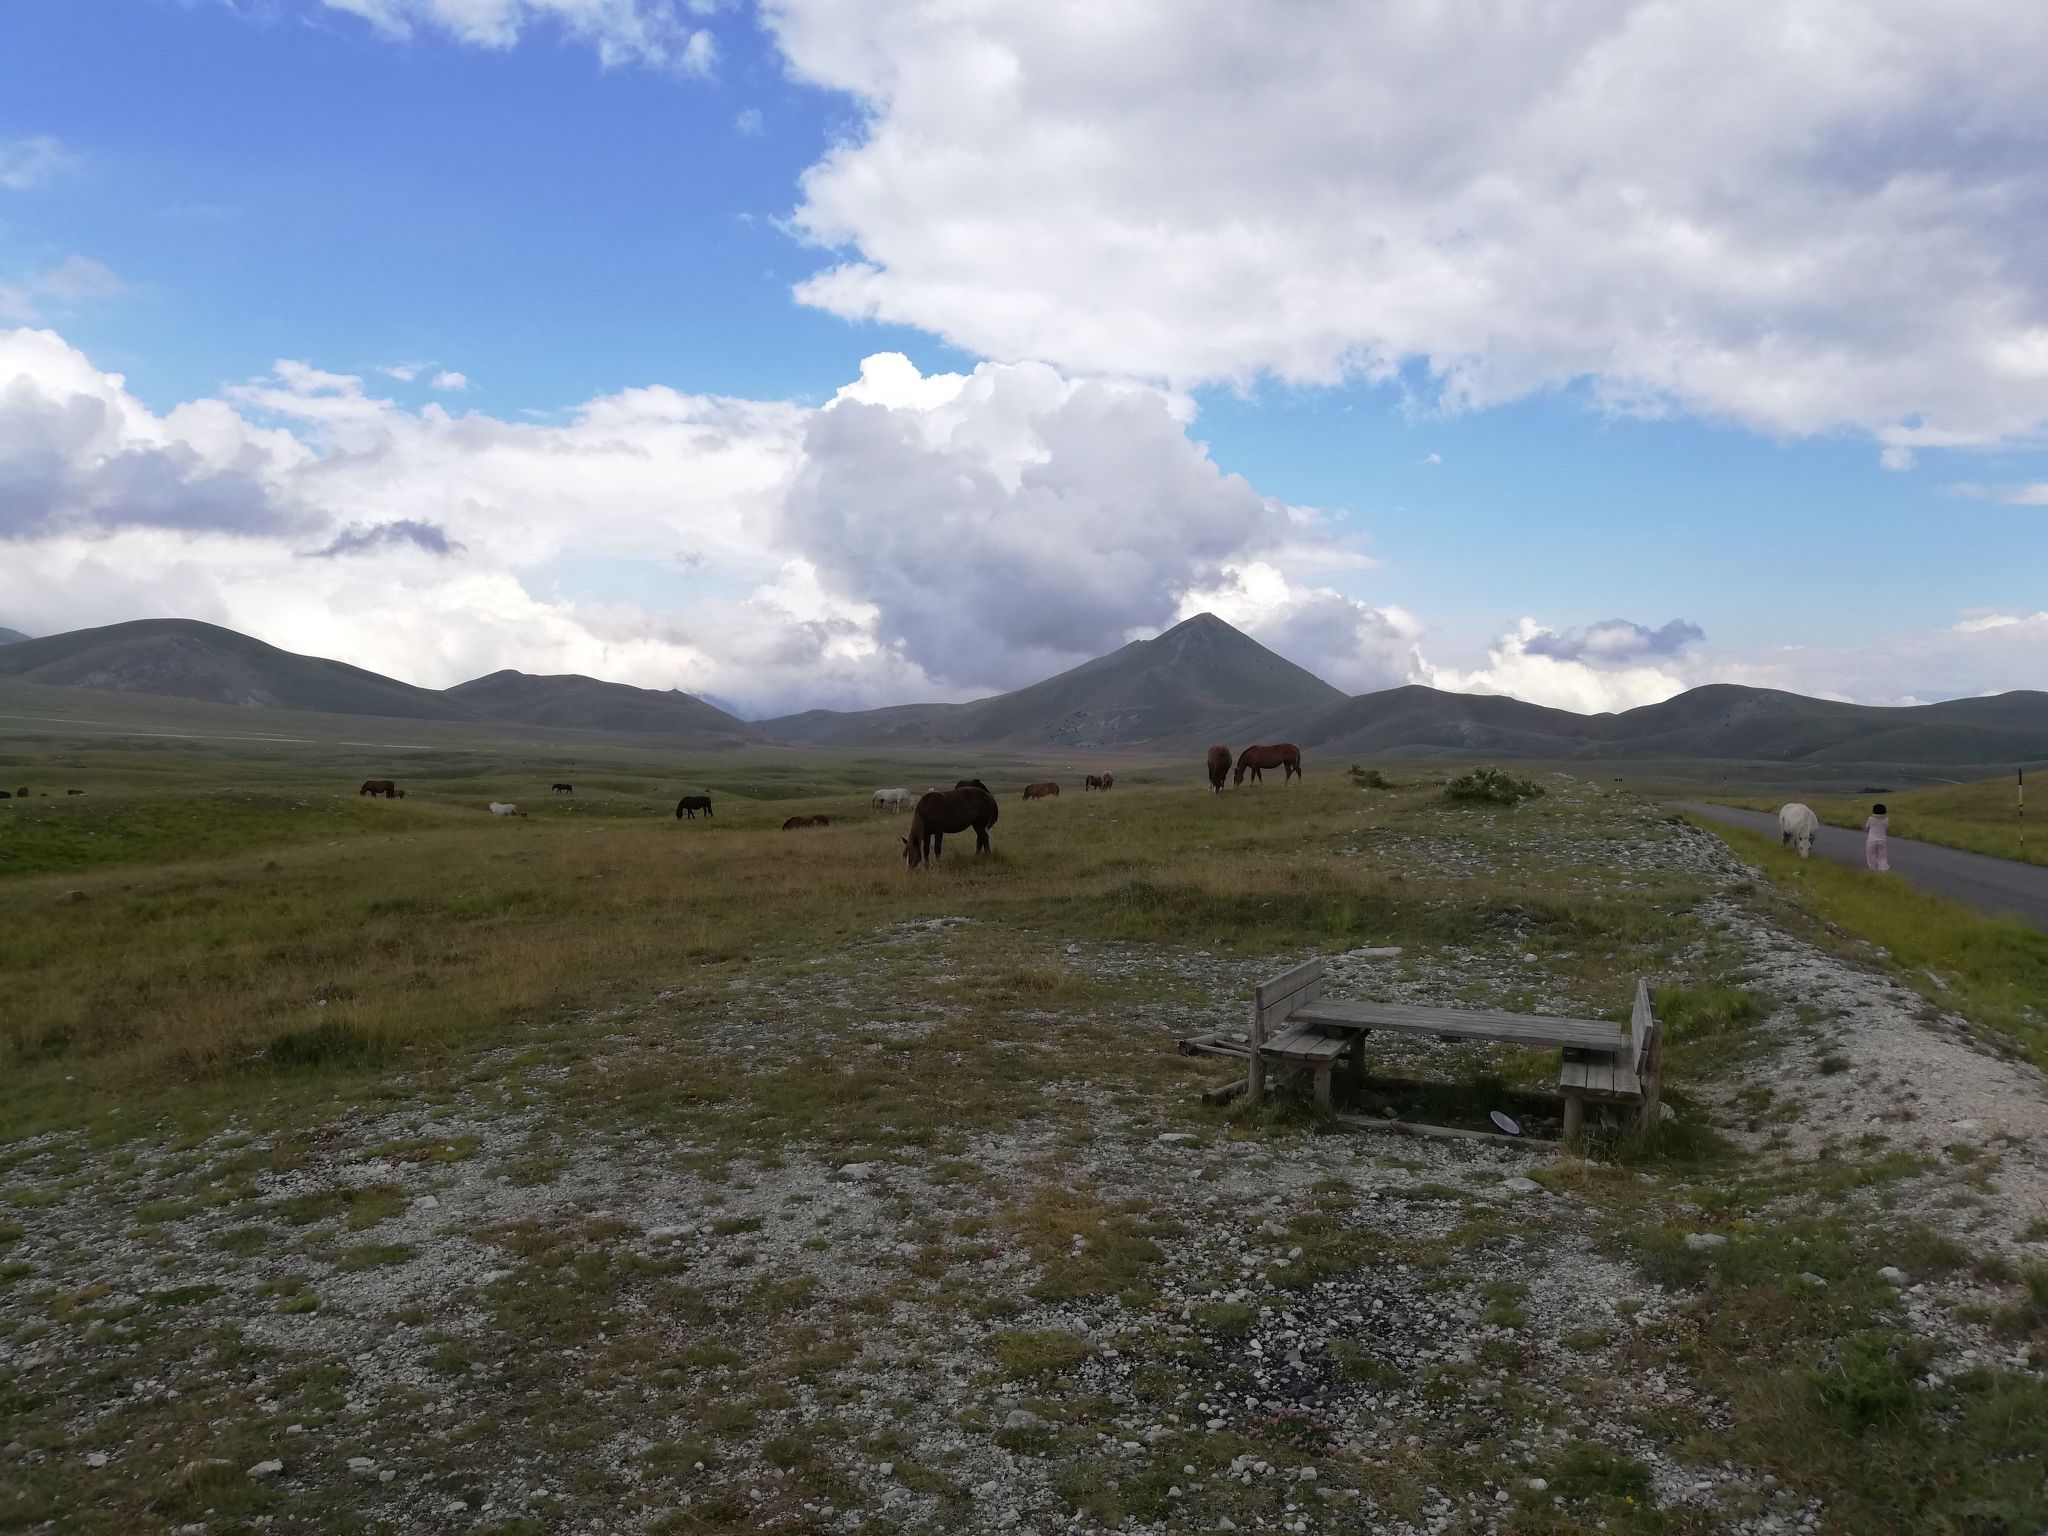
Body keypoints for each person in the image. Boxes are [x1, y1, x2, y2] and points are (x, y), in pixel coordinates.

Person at [1864, 802, 1890, 872]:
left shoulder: (1870, 819)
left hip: (1871, 840)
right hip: (1882, 840)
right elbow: (1887, 829)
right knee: (1882, 858)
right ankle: (1883, 871)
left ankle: (1873, 871)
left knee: (1871, 857)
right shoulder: (1886, 819)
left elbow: (1866, 827)